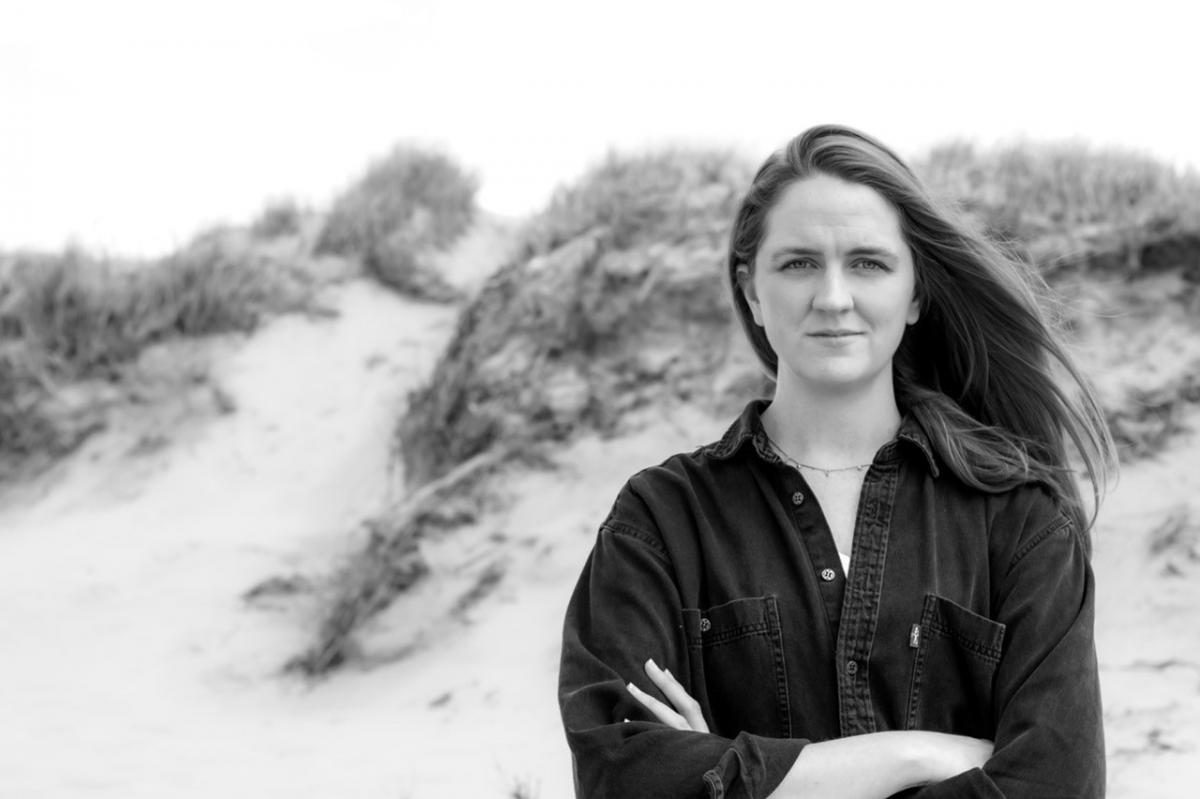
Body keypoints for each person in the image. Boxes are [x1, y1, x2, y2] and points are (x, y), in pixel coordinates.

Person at [557, 124, 1115, 798]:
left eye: (868, 263)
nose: (832, 297)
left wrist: (734, 774)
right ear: (753, 290)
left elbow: (1058, 784)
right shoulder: (663, 521)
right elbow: (622, 777)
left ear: (914, 293)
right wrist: (913, 754)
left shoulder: (1020, 519)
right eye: (797, 263)